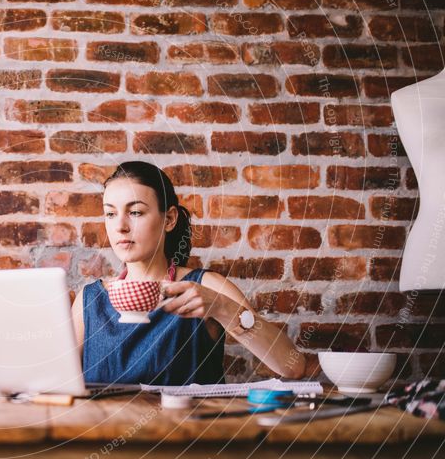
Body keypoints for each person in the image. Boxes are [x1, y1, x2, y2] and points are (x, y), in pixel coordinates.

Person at [71, 161, 306, 386]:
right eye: (110, 214)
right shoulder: (88, 300)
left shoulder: (206, 286)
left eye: (135, 212)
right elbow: (57, 383)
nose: (120, 226)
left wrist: (223, 308)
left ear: (170, 219)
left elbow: (292, 367)